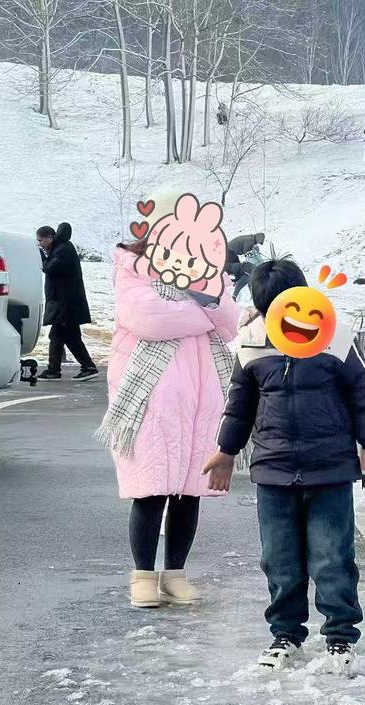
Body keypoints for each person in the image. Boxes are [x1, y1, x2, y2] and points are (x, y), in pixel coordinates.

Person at [205, 259, 365, 672]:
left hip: (330, 470)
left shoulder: (334, 336)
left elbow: (364, 392)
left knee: (332, 558)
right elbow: (238, 406)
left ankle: (340, 638)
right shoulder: (252, 343)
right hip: (274, 470)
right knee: (279, 559)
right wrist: (226, 451)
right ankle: (285, 635)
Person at [95, 196, 240, 609]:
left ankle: (175, 573)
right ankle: (142, 574)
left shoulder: (210, 271)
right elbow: (149, 319)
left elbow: (231, 322)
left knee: (190, 492)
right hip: (151, 396)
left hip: (201, 397)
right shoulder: (132, 269)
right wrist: (203, 308)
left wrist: (200, 303)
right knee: (151, 489)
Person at [36, 223, 98, 381]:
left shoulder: (63, 250)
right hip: (64, 303)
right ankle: (55, 370)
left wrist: (40, 255)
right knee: (62, 337)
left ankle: (86, 367)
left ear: (50, 237)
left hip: (66, 304)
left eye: (41, 240)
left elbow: (49, 268)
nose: (40, 244)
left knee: (66, 337)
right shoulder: (61, 249)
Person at [226, 232, 265, 300]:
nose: (258, 244)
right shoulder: (250, 240)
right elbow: (246, 251)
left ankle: (235, 279)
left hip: (230, 251)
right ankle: (233, 280)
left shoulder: (250, 238)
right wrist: (252, 252)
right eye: (259, 242)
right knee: (232, 266)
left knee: (235, 265)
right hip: (229, 251)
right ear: (258, 239)